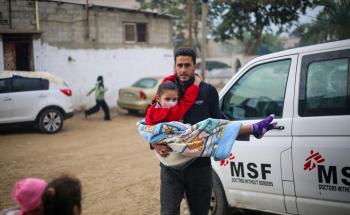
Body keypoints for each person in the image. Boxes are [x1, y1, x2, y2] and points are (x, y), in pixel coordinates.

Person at [150, 47, 274, 215]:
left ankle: (256, 129)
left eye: (187, 65)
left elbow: (219, 125)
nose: (183, 69)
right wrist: (155, 143)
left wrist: (246, 131)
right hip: (171, 167)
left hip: (199, 167)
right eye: (180, 65)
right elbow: (152, 122)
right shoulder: (166, 90)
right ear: (175, 66)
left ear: (195, 66)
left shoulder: (207, 91)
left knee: (200, 212)